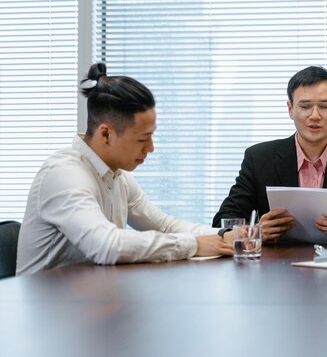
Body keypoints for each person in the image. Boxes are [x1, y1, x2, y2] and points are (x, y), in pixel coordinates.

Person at [17, 63, 233, 275]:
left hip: (91, 300)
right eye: (142, 138)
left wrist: (226, 235)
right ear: (105, 134)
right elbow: (106, 246)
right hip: (46, 306)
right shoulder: (64, 175)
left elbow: (164, 226)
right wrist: (192, 244)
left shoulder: (117, 175)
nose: (151, 148)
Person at [212, 66, 327, 241]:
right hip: (275, 267)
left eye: (324, 106)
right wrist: (256, 231)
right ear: (290, 109)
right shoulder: (259, 158)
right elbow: (224, 219)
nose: (315, 115)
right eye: (305, 106)